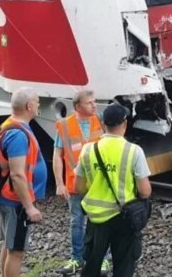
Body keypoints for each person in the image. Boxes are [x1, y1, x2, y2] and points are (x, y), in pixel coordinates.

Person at [74, 104, 152, 277]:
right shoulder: (134, 151)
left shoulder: (88, 150)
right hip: (124, 217)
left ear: (103, 124)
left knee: (92, 265)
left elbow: (78, 187)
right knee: (124, 266)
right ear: (124, 123)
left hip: (96, 218)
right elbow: (145, 191)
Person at [53, 90, 111, 276]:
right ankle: (77, 259)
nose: (94, 106)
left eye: (94, 102)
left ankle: (102, 259)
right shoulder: (64, 126)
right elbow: (57, 155)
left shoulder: (100, 121)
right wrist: (59, 183)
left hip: (98, 184)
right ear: (78, 107)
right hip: (76, 185)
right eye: (89, 103)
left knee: (100, 222)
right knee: (77, 223)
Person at [0, 87, 47, 277]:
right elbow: (17, 175)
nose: (39, 105)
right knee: (16, 252)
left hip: (10, 197)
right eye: (38, 101)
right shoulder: (18, 134)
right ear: (30, 106)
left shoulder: (13, 125)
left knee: (9, 246)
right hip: (16, 201)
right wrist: (29, 207)